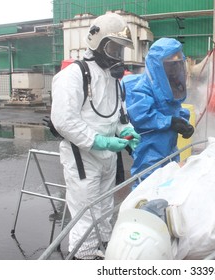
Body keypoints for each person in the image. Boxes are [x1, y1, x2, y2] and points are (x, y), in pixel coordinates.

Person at [50, 12, 140, 260]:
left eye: (120, 50)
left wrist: (127, 131)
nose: (117, 55)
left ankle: (103, 250)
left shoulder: (114, 80)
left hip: (107, 156)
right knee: (86, 212)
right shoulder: (74, 75)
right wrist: (98, 141)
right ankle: (83, 258)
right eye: (113, 48)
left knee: (104, 208)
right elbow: (63, 120)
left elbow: (118, 116)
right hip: (83, 158)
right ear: (96, 43)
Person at [105, 127, 215, 260]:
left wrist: (176, 167)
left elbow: (154, 180)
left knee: (206, 156)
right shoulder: (207, 237)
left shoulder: (129, 208)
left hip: (187, 174)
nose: (153, 207)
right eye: (156, 219)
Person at [126, 37, 194, 189]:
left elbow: (176, 107)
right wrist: (170, 122)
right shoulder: (143, 87)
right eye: (170, 65)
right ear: (158, 65)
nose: (175, 69)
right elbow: (141, 116)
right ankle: (139, 212)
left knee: (169, 181)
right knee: (147, 184)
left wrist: (184, 123)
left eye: (177, 64)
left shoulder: (171, 84)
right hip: (150, 147)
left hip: (170, 145)